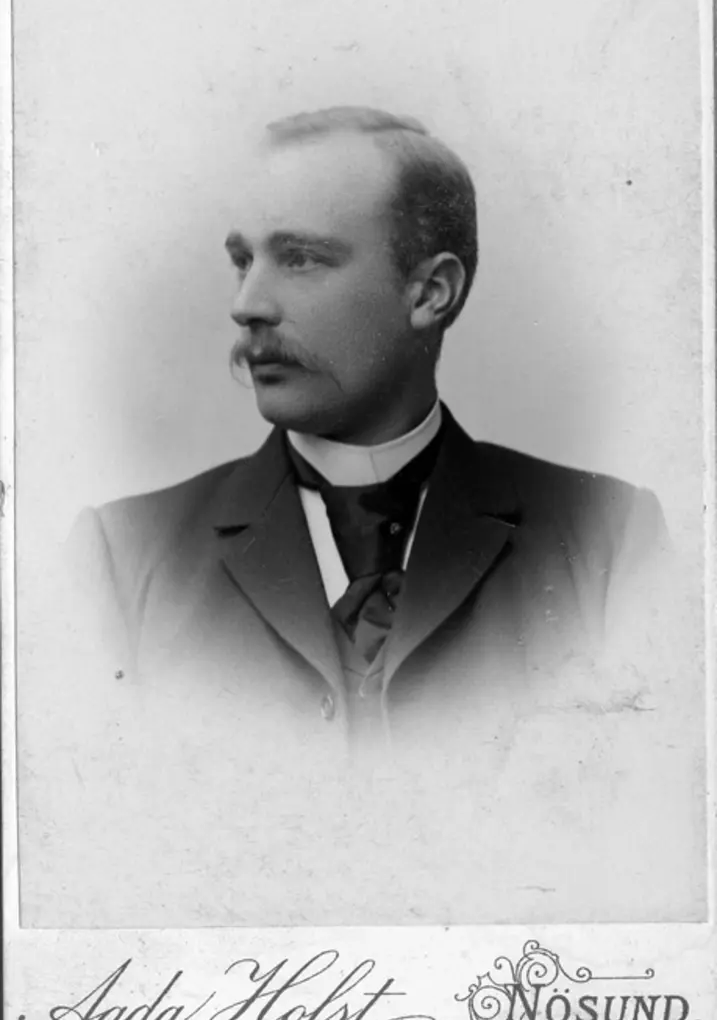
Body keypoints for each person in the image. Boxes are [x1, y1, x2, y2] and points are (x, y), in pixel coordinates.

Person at [69, 106, 667, 756]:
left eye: (300, 259)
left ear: (430, 293)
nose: (246, 304)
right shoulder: (125, 557)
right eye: (244, 260)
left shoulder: (608, 540)